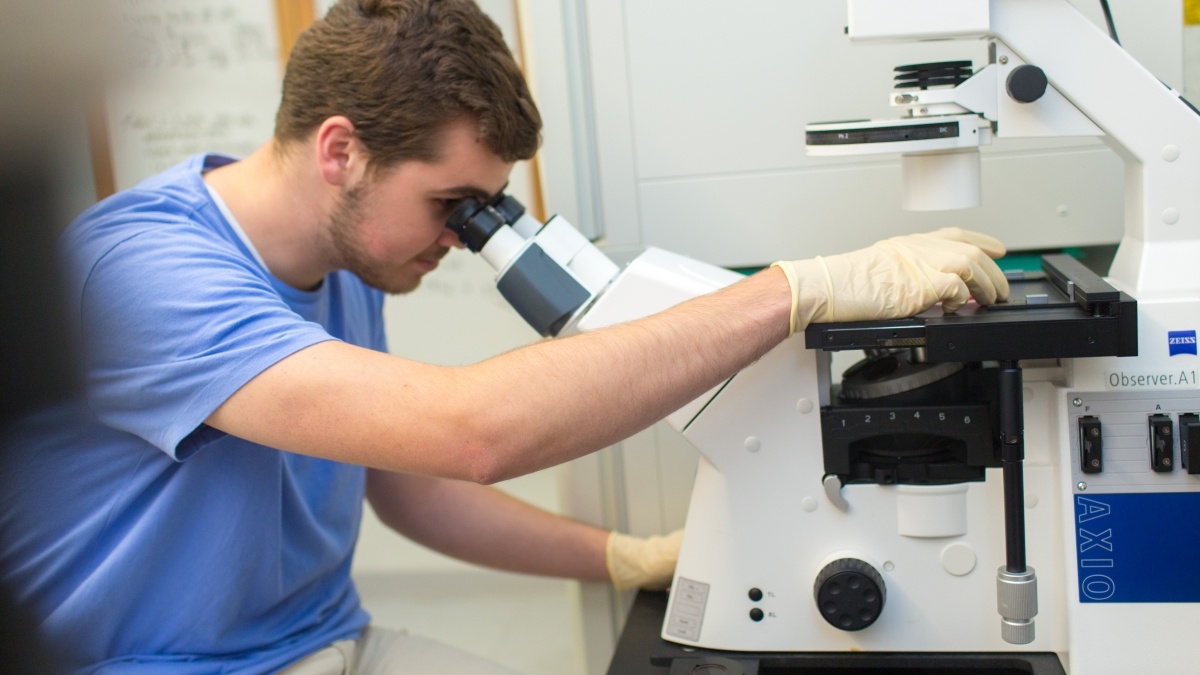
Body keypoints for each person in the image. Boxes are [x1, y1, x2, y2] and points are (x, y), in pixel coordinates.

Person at [0, 0, 1010, 673]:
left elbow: (413, 485)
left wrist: (625, 556)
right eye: (456, 204)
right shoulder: (145, 273)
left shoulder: (343, 262)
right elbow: (468, 433)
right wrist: (795, 291)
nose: (464, 237)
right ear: (341, 150)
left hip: (319, 646)